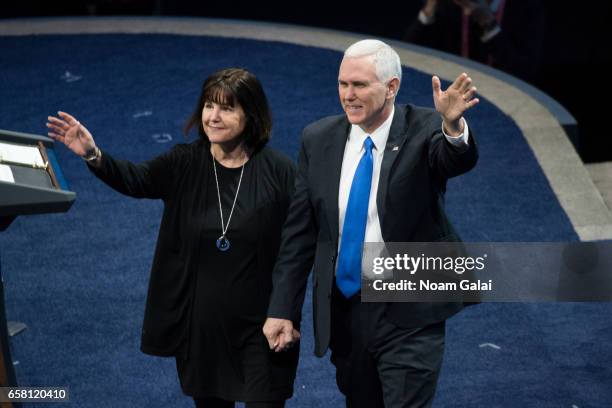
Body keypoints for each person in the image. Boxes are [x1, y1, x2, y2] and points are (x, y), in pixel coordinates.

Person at [47, 68, 299, 408]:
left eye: (226, 108)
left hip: (263, 327)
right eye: (209, 105)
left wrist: (285, 310)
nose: (213, 116)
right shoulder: (185, 162)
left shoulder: (279, 172)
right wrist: (93, 154)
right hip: (201, 329)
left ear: (250, 115)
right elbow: (135, 179)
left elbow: (298, 247)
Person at [263, 40, 479, 407]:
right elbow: (299, 234)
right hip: (348, 311)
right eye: (343, 84)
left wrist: (452, 125)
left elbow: (453, 159)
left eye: (359, 85)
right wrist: (282, 307)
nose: (348, 95)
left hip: (410, 307)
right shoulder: (318, 139)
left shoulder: (426, 127)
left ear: (391, 87)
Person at [403, 0, 546, 83]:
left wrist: (488, 25)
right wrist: (429, 10)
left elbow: (523, 70)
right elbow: (408, 61)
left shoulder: (526, 6)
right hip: (451, 93)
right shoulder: (449, 5)